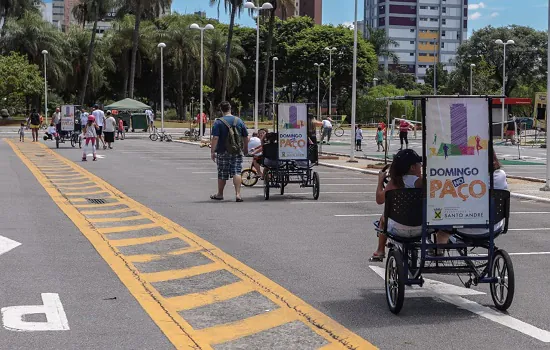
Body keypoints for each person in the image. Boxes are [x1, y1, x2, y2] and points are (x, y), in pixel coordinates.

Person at [370, 149, 423, 261]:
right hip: (421, 228)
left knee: (383, 218)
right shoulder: (421, 182)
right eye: (419, 164)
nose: (421, 166)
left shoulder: (394, 182)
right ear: (413, 167)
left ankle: (380, 250)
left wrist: (380, 181)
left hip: (398, 228)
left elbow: (379, 200)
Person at [210, 101, 249, 202]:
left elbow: (215, 138)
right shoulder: (239, 121)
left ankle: (220, 194)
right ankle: (238, 194)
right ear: (230, 108)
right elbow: (246, 137)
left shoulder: (218, 122)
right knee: (236, 171)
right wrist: (245, 149)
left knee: (222, 172)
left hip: (223, 151)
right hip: (236, 150)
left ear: (221, 109)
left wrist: (212, 151)